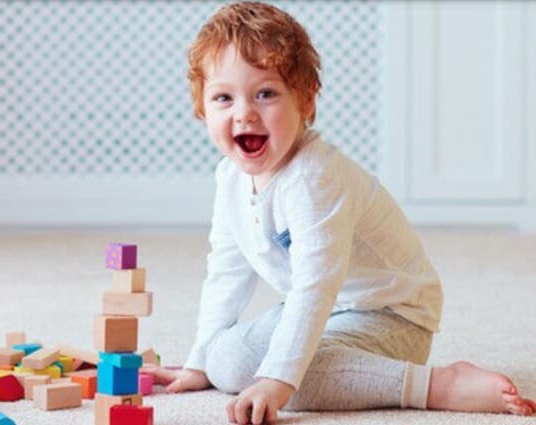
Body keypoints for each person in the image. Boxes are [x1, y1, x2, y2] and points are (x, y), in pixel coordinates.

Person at [140, 2, 536, 424]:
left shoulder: (313, 178)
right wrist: (199, 361)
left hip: (389, 315)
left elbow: (315, 284)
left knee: (294, 381)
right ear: (202, 107)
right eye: (223, 97)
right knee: (226, 361)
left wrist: (279, 379)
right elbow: (227, 270)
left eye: (266, 93)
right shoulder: (230, 178)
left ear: (306, 100)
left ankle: (438, 384)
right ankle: (243, 362)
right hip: (329, 311)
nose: (244, 113)